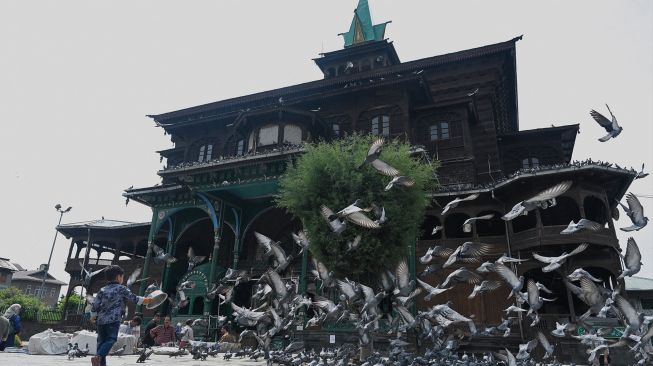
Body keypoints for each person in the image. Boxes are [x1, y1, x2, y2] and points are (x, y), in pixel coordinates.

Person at [90, 266, 153, 366]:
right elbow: (134, 298)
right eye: (122, 277)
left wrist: (93, 315)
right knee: (111, 339)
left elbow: (95, 305)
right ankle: (98, 357)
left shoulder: (102, 289)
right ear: (118, 277)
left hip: (101, 320)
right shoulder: (121, 288)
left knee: (101, 342)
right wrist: (146, 300)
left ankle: (100, 362)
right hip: (113, 320)